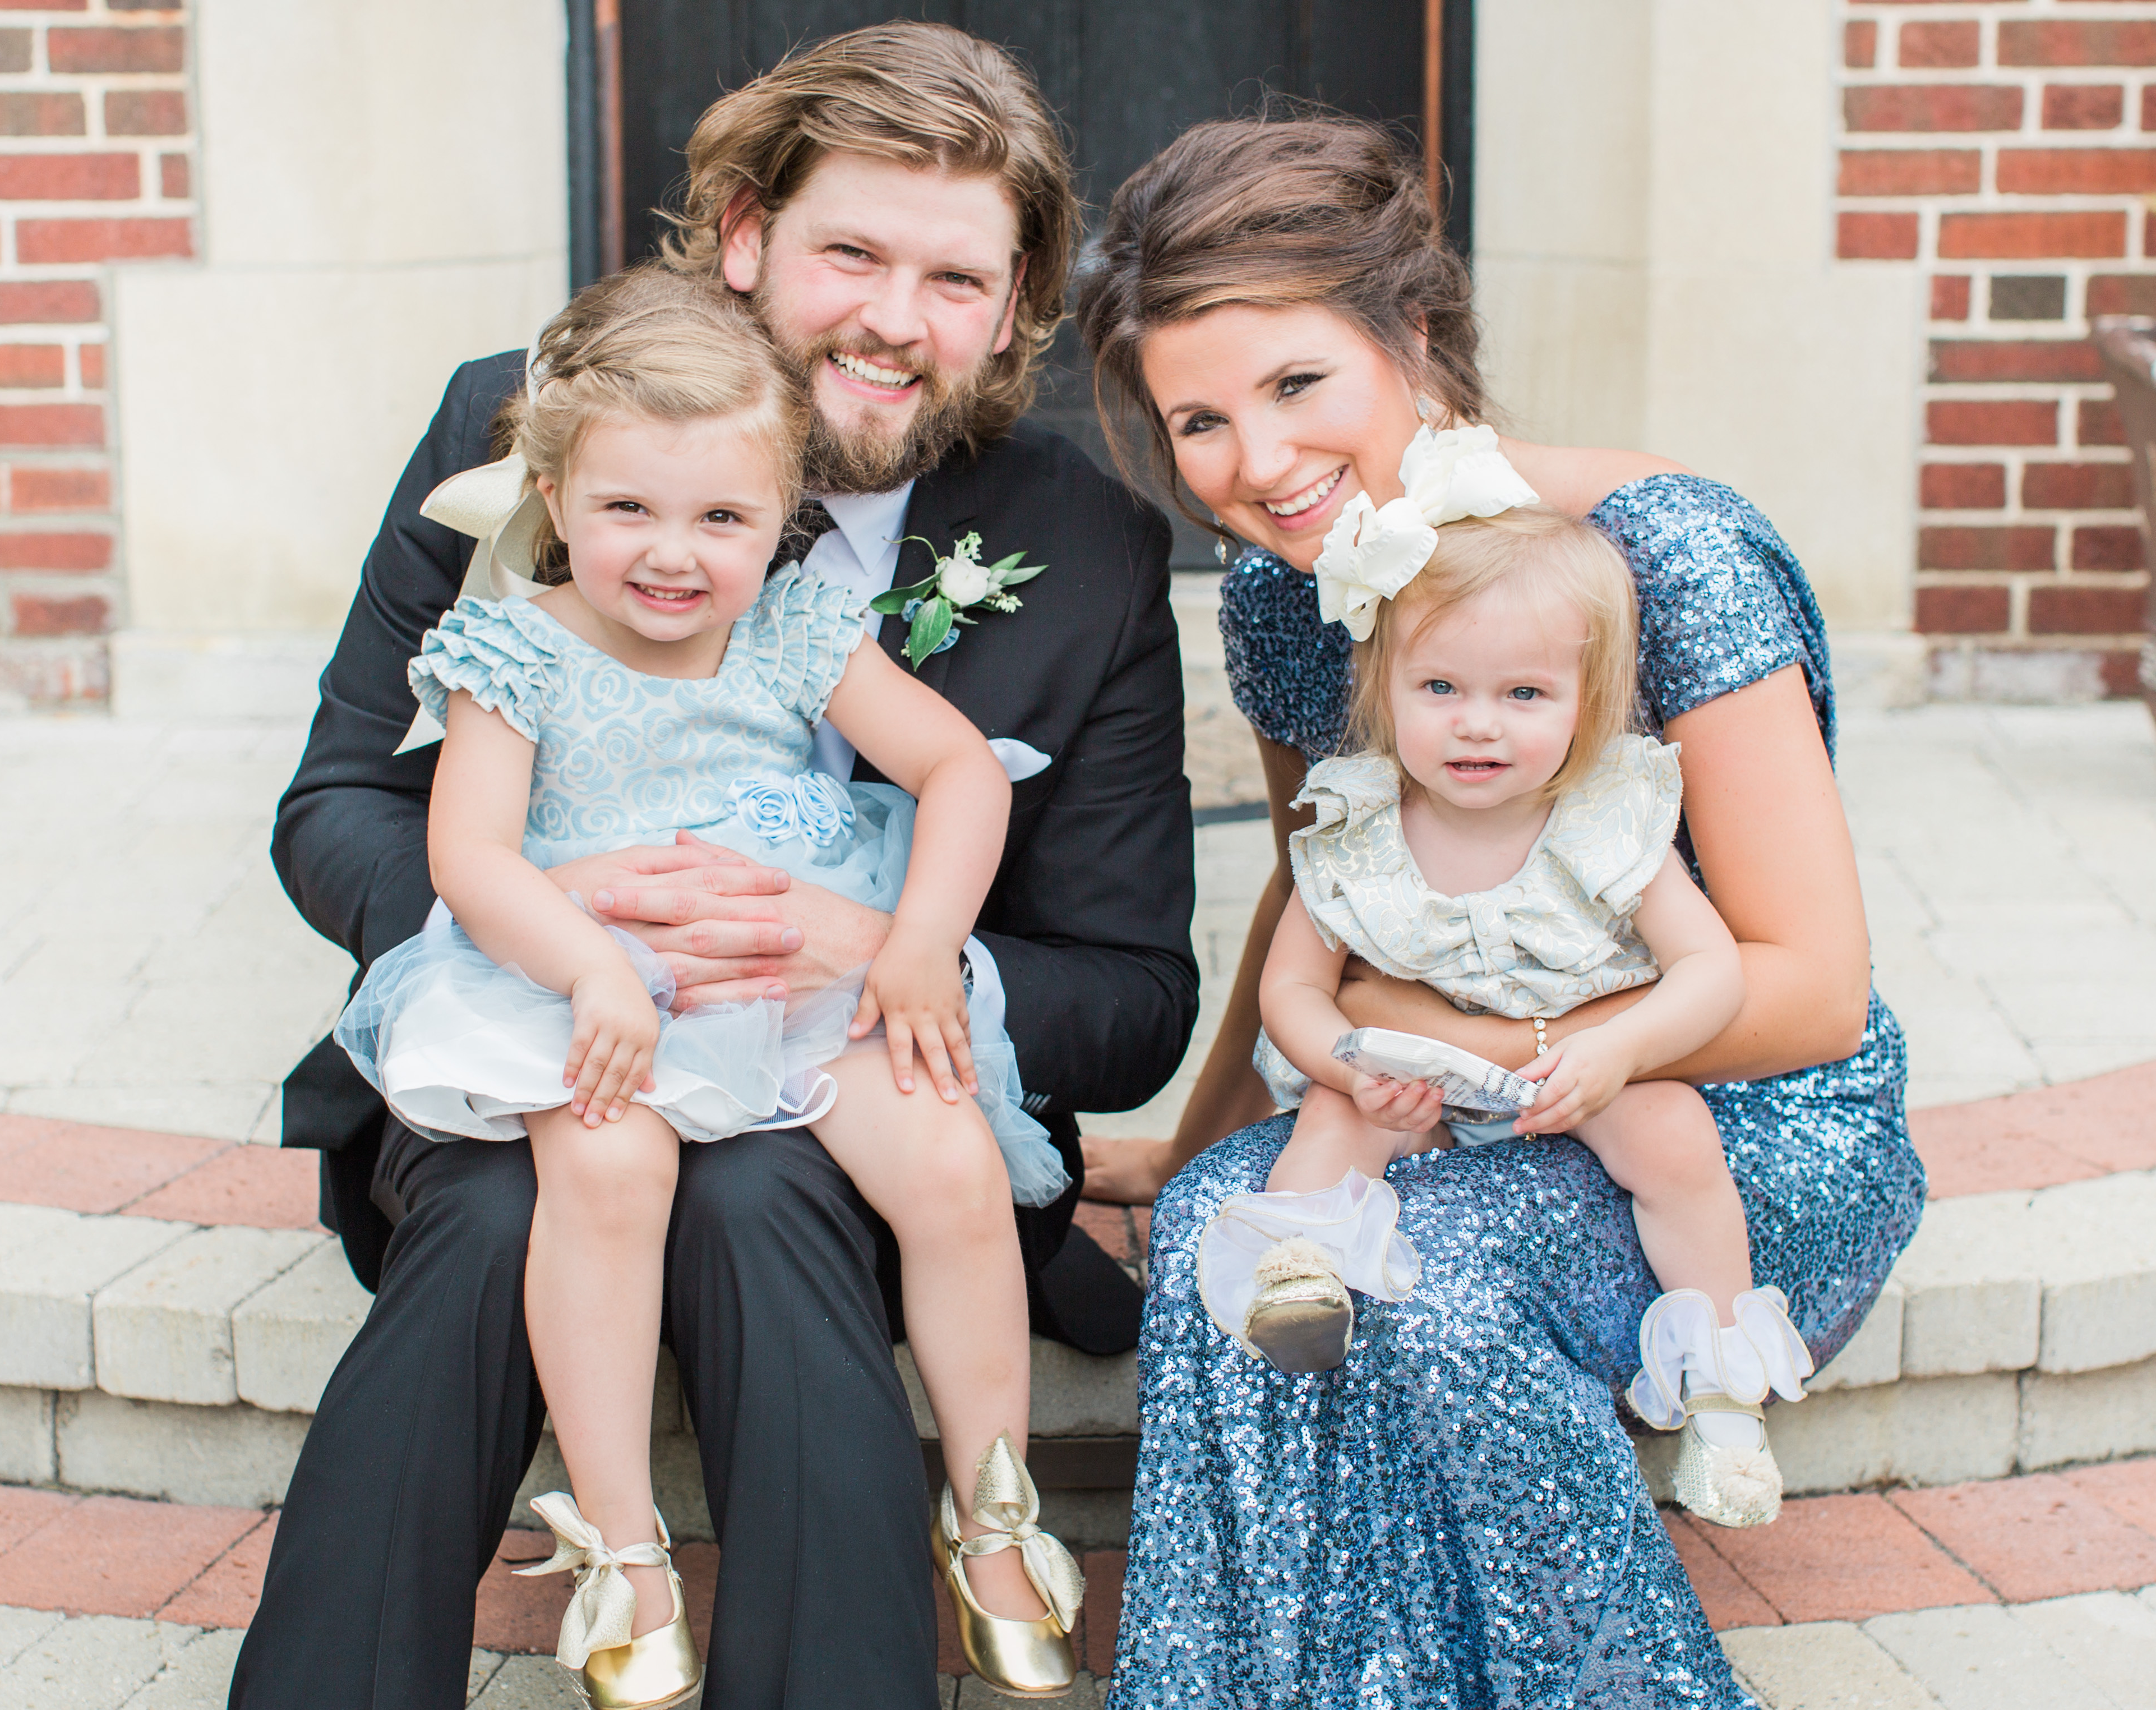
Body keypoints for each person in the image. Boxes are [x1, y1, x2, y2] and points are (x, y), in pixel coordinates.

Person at [236, 25, 1194, 1710]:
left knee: (763, 1205)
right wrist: (547, 929)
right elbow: (337, 807)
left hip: (850, 1069)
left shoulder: (1090, 542)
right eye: (852, 253)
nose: (897, 320)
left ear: (1012, 308)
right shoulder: (525, 420)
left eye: (956, 279)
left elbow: (1130, 992)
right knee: (503, 1204)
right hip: (560, 1041)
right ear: (745, 234)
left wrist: (878, 946)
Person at [1076, 115, 1920, 1704]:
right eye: (1200, 419)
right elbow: (1331, 895)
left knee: (1431, 1283)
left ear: (1410, 334)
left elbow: (1810, 990)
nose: (1257, 461)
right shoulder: (1285, 591)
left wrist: (1486, 1046)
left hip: (1726, 1116)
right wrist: (1198, 1141)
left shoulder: (1668, 550)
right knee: (1220, 1242)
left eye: (1295, 383)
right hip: (1451, 1101)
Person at [334, 269, 1084, 1706]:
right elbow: (469, 857)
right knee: (604, 1167)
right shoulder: (513, 650)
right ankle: (625, 1548)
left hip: (790, 974)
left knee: (948, 1158)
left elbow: (958, 769)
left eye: (722, 519)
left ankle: (993, 1510)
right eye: (628, 508)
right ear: (553, 497)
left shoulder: (794, 628)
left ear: (781, 509)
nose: (673, 555)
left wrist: (918, 939)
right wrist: (590, 969)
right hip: (586, 982)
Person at [1201, 494, 1810, 1532]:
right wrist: (1347, 1066)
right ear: (1384, 688)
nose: (1476, 721)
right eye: (1439, 686)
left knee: (1675, 1134)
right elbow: (1289, 987)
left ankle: (1720, 1394)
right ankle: (1301, 1274)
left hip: (1578, 1073)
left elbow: (1710, 969)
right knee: (1334, 1118)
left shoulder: (1602, 823)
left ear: (1586, 701)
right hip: (1415, 1078)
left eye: (1523, 692)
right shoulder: (1359, 828)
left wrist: (1621, 1049)